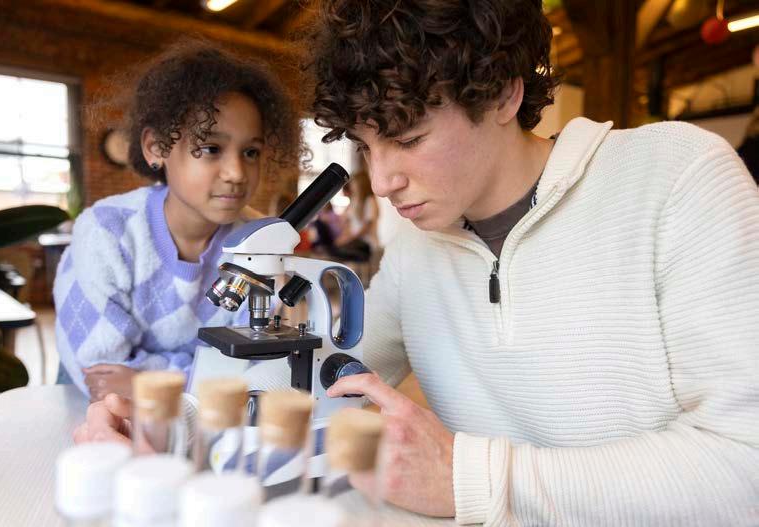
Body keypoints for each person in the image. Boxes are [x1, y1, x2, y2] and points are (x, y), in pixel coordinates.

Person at [76, 1, 759, 525]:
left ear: (503, 93)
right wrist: (171, 423)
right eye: (367, 147)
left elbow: (746, 466)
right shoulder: (417, 249)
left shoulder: (677, 178)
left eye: (407, 138)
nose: (384, 180)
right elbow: (315, 383)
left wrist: (470, 476)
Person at [54, 40, 301, 401]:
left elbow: (255, 366)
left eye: (251, 152)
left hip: (200, 418)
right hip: (86, 406)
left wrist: (142, 382)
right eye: (211, 148)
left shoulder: (259, 242)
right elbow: (100, 372)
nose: (236, 172)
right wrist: (202, 376)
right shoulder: (106, 231)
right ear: (156, 147)